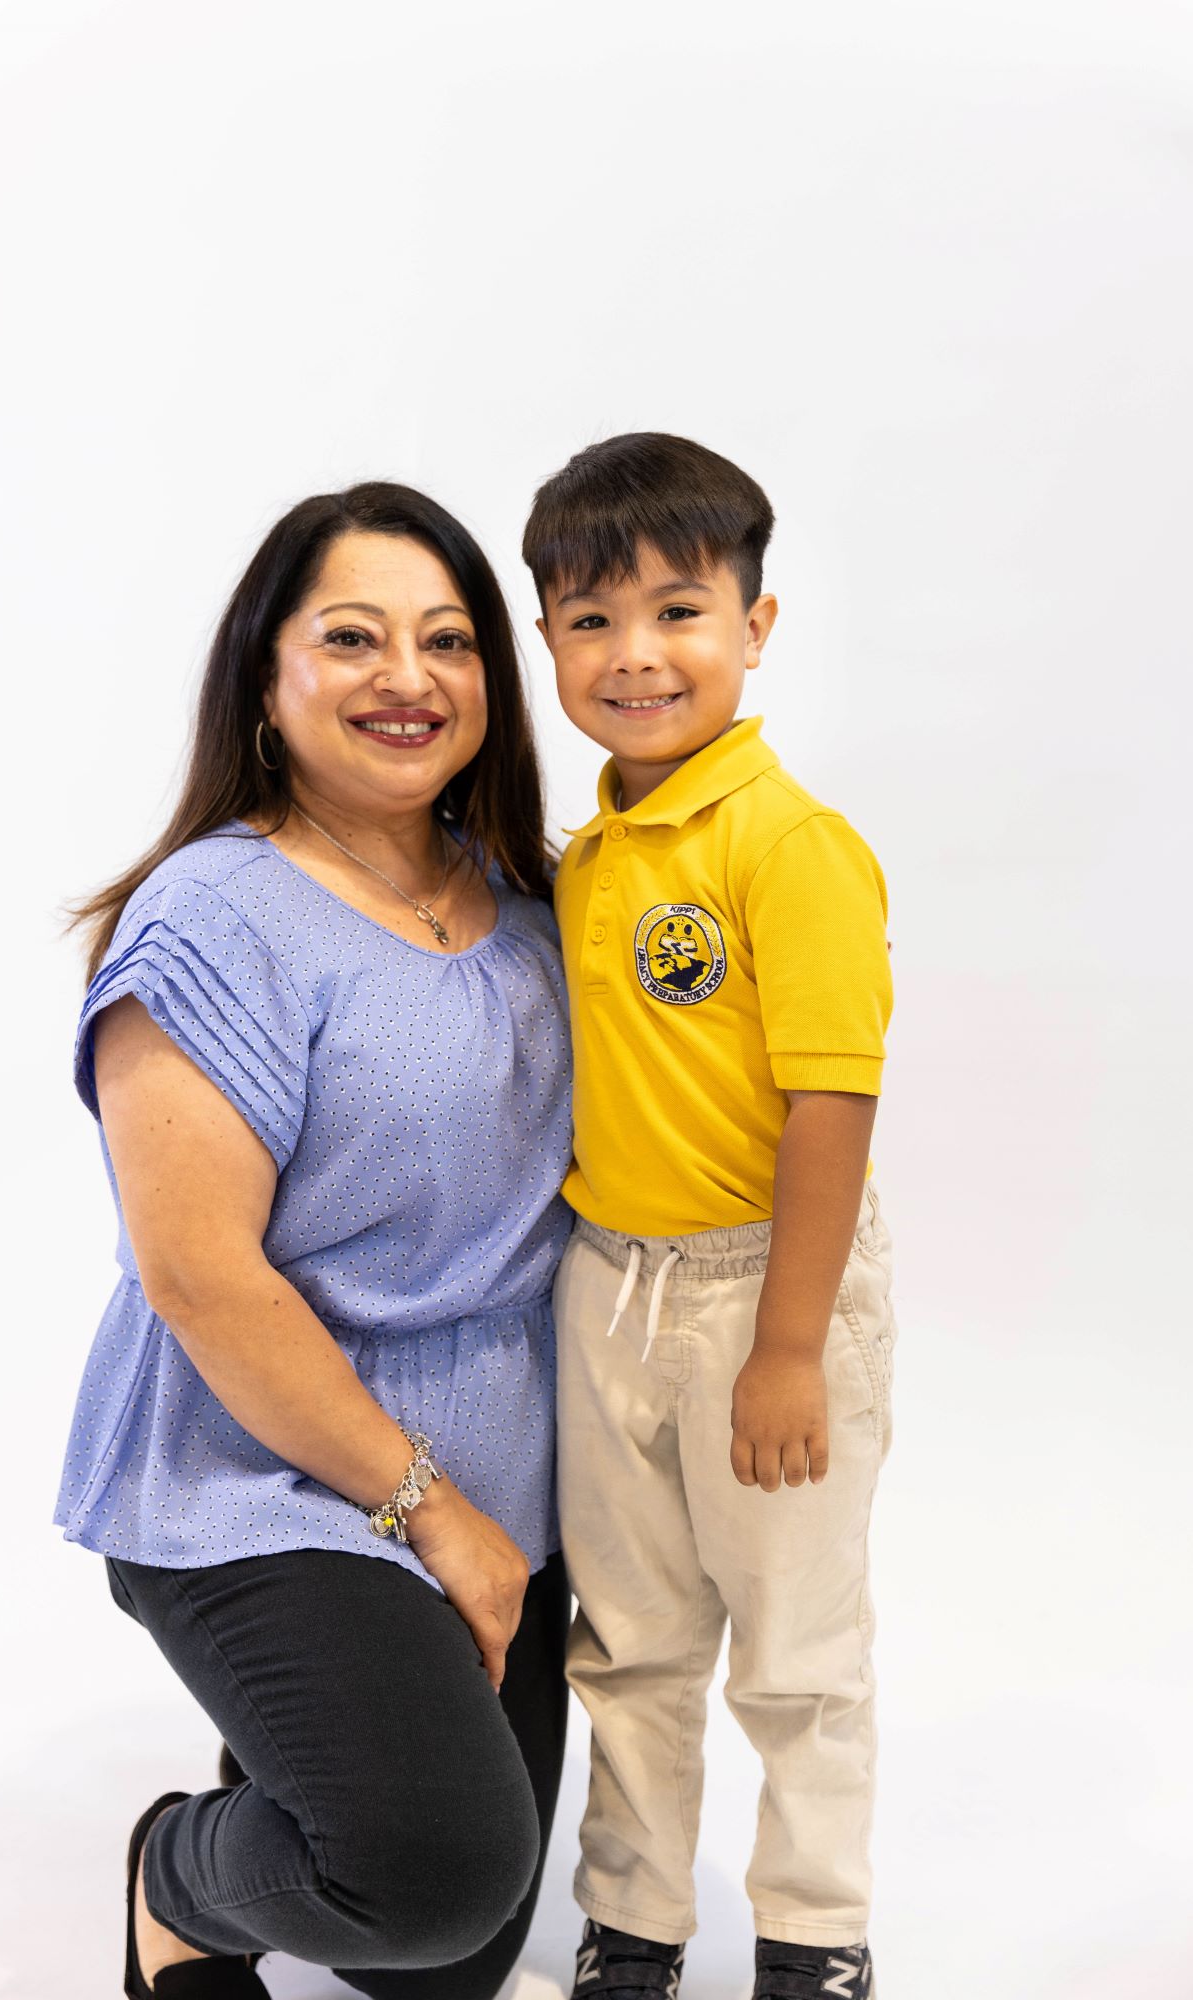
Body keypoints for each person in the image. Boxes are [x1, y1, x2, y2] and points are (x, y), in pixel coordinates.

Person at [58, 483, 573, 1999]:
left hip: (500, 1460)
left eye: (449, 641)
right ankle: (174, 1868)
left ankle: (312, 1741)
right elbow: (200, 1277)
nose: (406, 679)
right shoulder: (213, 915)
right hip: (259, 1467)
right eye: (352, 638)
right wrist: (435, 1517)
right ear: (266, 682)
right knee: (421, 1877)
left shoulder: (527, 904)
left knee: (446, 1962)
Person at [522, 434, 896, 2000]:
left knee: (794, 1649)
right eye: (592, 620)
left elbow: (832, 1103)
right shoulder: (590, 853)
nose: (636, 656)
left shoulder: (785, 844)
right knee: (632, 1638)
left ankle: (812, 1935)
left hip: (766, 1293)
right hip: (605, 1284)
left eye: (679, 611)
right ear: (545, 641)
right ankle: (633, 1923)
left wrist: (790, 1348)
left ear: (756, 626)